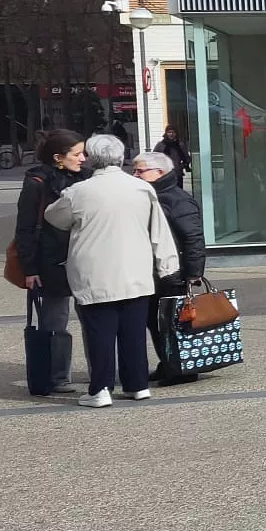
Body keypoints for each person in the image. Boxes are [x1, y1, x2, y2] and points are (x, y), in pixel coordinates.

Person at [44, 134, 180, 407]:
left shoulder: (79, 192)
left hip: (96, 272)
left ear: (92, 160)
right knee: (133, 331)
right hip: (137, 270)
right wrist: (167, 266)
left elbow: (54, 216)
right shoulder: (141, 189)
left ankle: (101, 388)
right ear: (121, 157)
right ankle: (137, 384)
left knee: (100, 333)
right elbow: (159, 231)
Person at [13, 130, 87, 396]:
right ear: (58, 158)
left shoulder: (86, 178)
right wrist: (29, 268)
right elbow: (25, 227)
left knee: (93, 318)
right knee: (55, 321)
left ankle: (100, 370)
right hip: (50, 260)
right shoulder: (37, 182)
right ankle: (57, 376)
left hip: (85, 256)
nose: (83, 158)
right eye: (77, 154)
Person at [131, 150, 207, 384]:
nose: (134, 175)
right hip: (153, 270)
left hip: (173, 271)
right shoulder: (148, 195)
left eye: (140, 171)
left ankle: (181, 369)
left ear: (159, 172)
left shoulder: (176, 199)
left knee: (173, 322)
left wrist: (194, 272)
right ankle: (169, 364)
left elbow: (193, 236)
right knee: (155, 322)